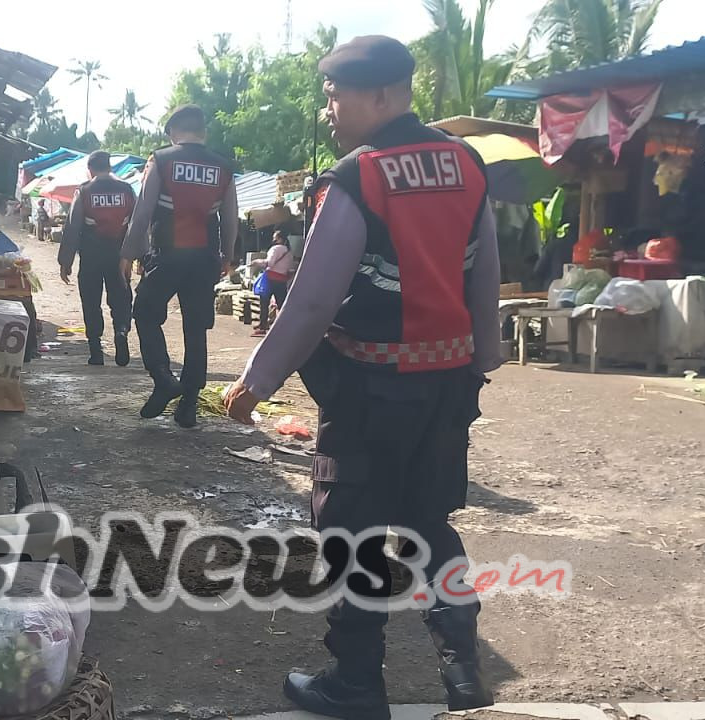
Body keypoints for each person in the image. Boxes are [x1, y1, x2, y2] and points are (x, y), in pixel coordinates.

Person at [223, 36, 503, 717]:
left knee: (352, 528)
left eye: (334, 96)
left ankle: (355, 681)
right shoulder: (466, 164)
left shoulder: (360, 175)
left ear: (380, 95)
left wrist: (255, 382)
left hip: (370, 390)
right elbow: (486, 271)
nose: (328, 109)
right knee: (429, 520)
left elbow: (313, 301)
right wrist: (483, 357)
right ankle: (461, 664)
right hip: (446, 385)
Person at [121, 104, 240, 428]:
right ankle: (188, 404)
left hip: (167, 254)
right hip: (205, 258)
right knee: (196, 327)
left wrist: (129, 252)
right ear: (203, 131)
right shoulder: (223, 168)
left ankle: (162, 376)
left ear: (173, 131)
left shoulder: (161, 160)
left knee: (145, 312)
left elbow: (143, 212)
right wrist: (227, 255)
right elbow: (230, 218)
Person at [60, 151, 137, 366]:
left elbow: (72, 227)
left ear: (90, 169)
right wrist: (135, 256)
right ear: (110, 166)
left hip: (91, 256)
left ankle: (96, 350)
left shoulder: (85, 191)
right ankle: (121, 331)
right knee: (121, 298)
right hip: (119, 256)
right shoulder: (127, 190)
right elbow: (137, 224)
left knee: (91, 301)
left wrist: (66, 261)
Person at [250, 231, 297, 337]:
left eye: (274, 238)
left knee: (264, 303)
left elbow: (269, 263)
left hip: (270, 279)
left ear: (279, 239)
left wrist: (256, 262)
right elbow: (290, 269)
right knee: (282, 304)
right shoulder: (289, 252)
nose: (273, 240)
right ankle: (286, 326)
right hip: (282, 280)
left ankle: (262, 327)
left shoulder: (275, 249)